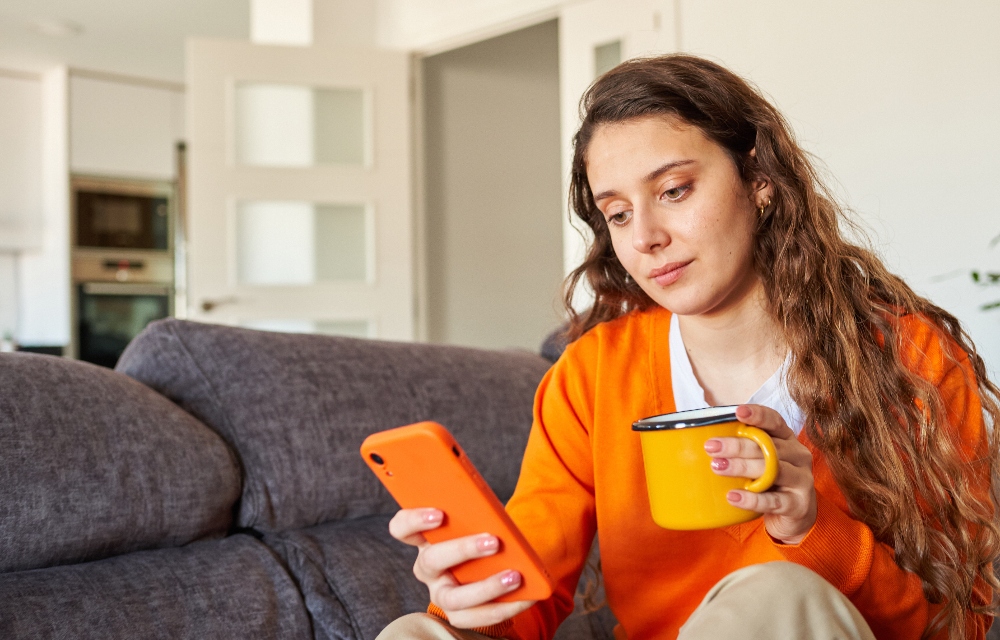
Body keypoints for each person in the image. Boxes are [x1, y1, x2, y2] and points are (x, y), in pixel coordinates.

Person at [377, 54, 1000, 639]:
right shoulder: (593, 374)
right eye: (617, 213)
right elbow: (528, 599)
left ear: (759, 179)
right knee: (418, 632)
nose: (645, 237)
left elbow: (961, 621)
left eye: (674, 190)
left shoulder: (911, 358)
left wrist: (814, 531)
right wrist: (473, 597)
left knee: (776, 593)